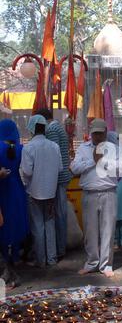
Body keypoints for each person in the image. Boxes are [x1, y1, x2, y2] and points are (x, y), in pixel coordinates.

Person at [70, 119, 118, 277]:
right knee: (90, 231)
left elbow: (121, 169)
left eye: (100, 133)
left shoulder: (114, 149)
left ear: (105, 132)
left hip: (108, 192)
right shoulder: (83, 149)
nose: (97, 136)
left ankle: (106, 265)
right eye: (94, 133)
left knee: (108, 230)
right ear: (91, 133)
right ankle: (92, 262)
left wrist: (103, 162)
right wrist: (92, 161)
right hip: (89, 193)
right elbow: (74, 168)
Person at [20, 115, 63, 268]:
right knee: (50, 224)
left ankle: (41, 260)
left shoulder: (29, 148)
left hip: (34, 193)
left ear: (32, 128)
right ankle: (52, 259)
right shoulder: (54, 146)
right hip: (51, 193)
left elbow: (27, 172)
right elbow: (59, 169)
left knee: (38, 226)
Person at [36, 108, 72, 261]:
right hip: (62, 176)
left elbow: (52, 154)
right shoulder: (58, 126)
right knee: (60, 213)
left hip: (56, 178)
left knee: (57, 214)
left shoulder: (51, 130)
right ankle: (61, 247)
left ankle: (59, 248)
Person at [0, 120, 29, 265]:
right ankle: (16, 256)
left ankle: (5, 256)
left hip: (2, 189)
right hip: (17, 188)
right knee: (16, 220)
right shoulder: (21, 149)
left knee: (3, 222)